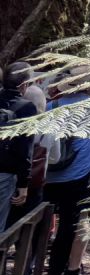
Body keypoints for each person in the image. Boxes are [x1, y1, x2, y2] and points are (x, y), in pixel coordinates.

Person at [40, 85, 90, 275]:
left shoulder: (52, 106)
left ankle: (28, 271)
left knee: (41, 224)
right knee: (70, 224)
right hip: (80, 174)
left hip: (49, 175)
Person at [0, 62, 38, 234]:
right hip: (5, 174)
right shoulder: (27, 107)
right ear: (24, 84)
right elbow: (25, 149)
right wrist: (24, 184)